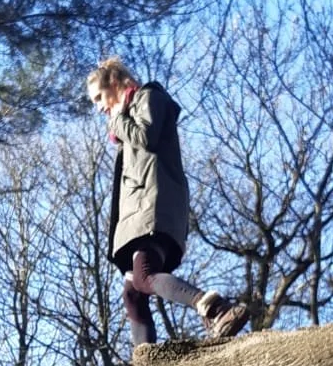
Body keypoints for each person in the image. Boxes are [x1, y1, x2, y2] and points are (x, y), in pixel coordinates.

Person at [87, 57, 249, 349]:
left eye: (99, 97)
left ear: (114, 83)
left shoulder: (148, 98)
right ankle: (145, 363)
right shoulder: (126, 117)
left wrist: (118, 119)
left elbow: (145, 136)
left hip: (154, 208)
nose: (98, 107)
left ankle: (215, 308)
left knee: (144, 276)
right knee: (133, 293)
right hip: (140, 213)